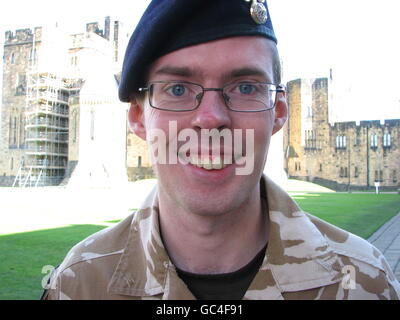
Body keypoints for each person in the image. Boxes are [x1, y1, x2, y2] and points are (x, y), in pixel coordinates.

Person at [43, 0, 400, 300]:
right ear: (138, 117)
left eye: (245, 87)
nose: (211, 119)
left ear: (278, 113)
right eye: (178, 90)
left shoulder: (365, 283)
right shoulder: (79, 285)